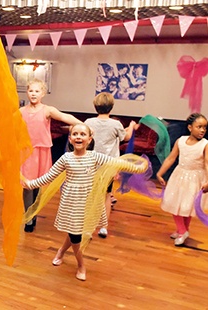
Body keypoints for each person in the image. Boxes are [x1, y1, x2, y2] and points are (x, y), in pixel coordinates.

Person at [22, 123, 145, 281]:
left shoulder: (94, 156)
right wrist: (31, 184)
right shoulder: (66, 158)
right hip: (72, 202)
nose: (78, 137)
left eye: (82, 134)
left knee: (76, 232)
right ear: (70, 139)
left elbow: (116, 162)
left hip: (88, 201)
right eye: (75, 134)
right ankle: (81, 265)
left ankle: (60, 251)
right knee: (75, 234)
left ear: (89, 139)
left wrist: (137, 168)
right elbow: (49, 176)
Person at [20, 79, 81, 232]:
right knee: (27, 186)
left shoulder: (47, 110)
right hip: (26, 152)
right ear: (27, 92)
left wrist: (82, 125)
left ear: (43, 93)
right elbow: (5, 120)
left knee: (38, 185)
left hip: (41, 152)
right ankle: (28, 217)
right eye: (31, 91)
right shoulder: (21, 111)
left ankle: (34, 213)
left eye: (37, 91)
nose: (33, 94)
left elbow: (65, 117)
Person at [84, 92, 136, 238]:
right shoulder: (115, 124)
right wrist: (131, 126)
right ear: (111, 107)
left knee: (90, 194)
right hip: (108, 166)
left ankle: (87, 226)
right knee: (106, 195)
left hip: (91, 163)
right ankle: (103, 227)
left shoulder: (88, 122)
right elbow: (126, 137)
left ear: (95, 106)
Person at [156, 113, 208, 246]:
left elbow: (207, 163)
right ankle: (182, 230)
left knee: (187, 206)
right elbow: (171, 158)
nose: (202, 130)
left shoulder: (205, 144)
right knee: (175, 204)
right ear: (190, 127)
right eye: (199, 127)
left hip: (195, 179)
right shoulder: (181, 141)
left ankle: (183, 230)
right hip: (179, 176)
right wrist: (160, 174)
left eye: (205, 127)